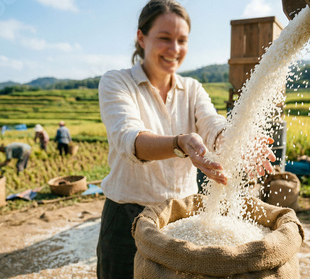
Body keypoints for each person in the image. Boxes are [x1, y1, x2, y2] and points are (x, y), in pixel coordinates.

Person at [96, 1, 275, 278]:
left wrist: (232, 140)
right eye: (164, 38)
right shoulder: (117, 83)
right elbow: (129, 140)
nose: (175, 49)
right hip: (126, 216)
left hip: (178, 218)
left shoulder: (192, 89)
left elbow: (212, 123)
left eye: (182, 40)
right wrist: (181, 143)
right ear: (141, 37)